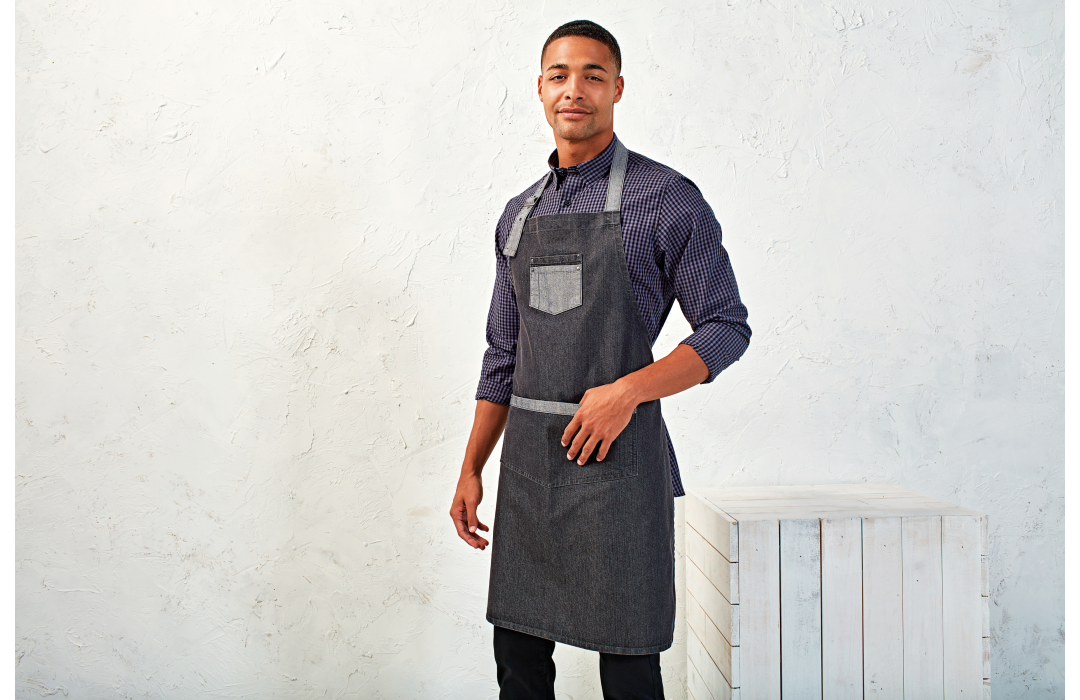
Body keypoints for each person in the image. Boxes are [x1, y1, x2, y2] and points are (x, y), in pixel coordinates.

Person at [449, 19, 751, 700]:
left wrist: (628, 392)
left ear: (617, 88)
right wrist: (471, 469)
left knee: (629, 664)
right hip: (530, 473)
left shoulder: (666, 199)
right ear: (540, 89)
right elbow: (503, 355)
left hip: (620, 471)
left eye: (592, 75)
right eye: (559, 75)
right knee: (519, 664)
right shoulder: (517, 216)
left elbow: (726, 327)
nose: (574, 90)